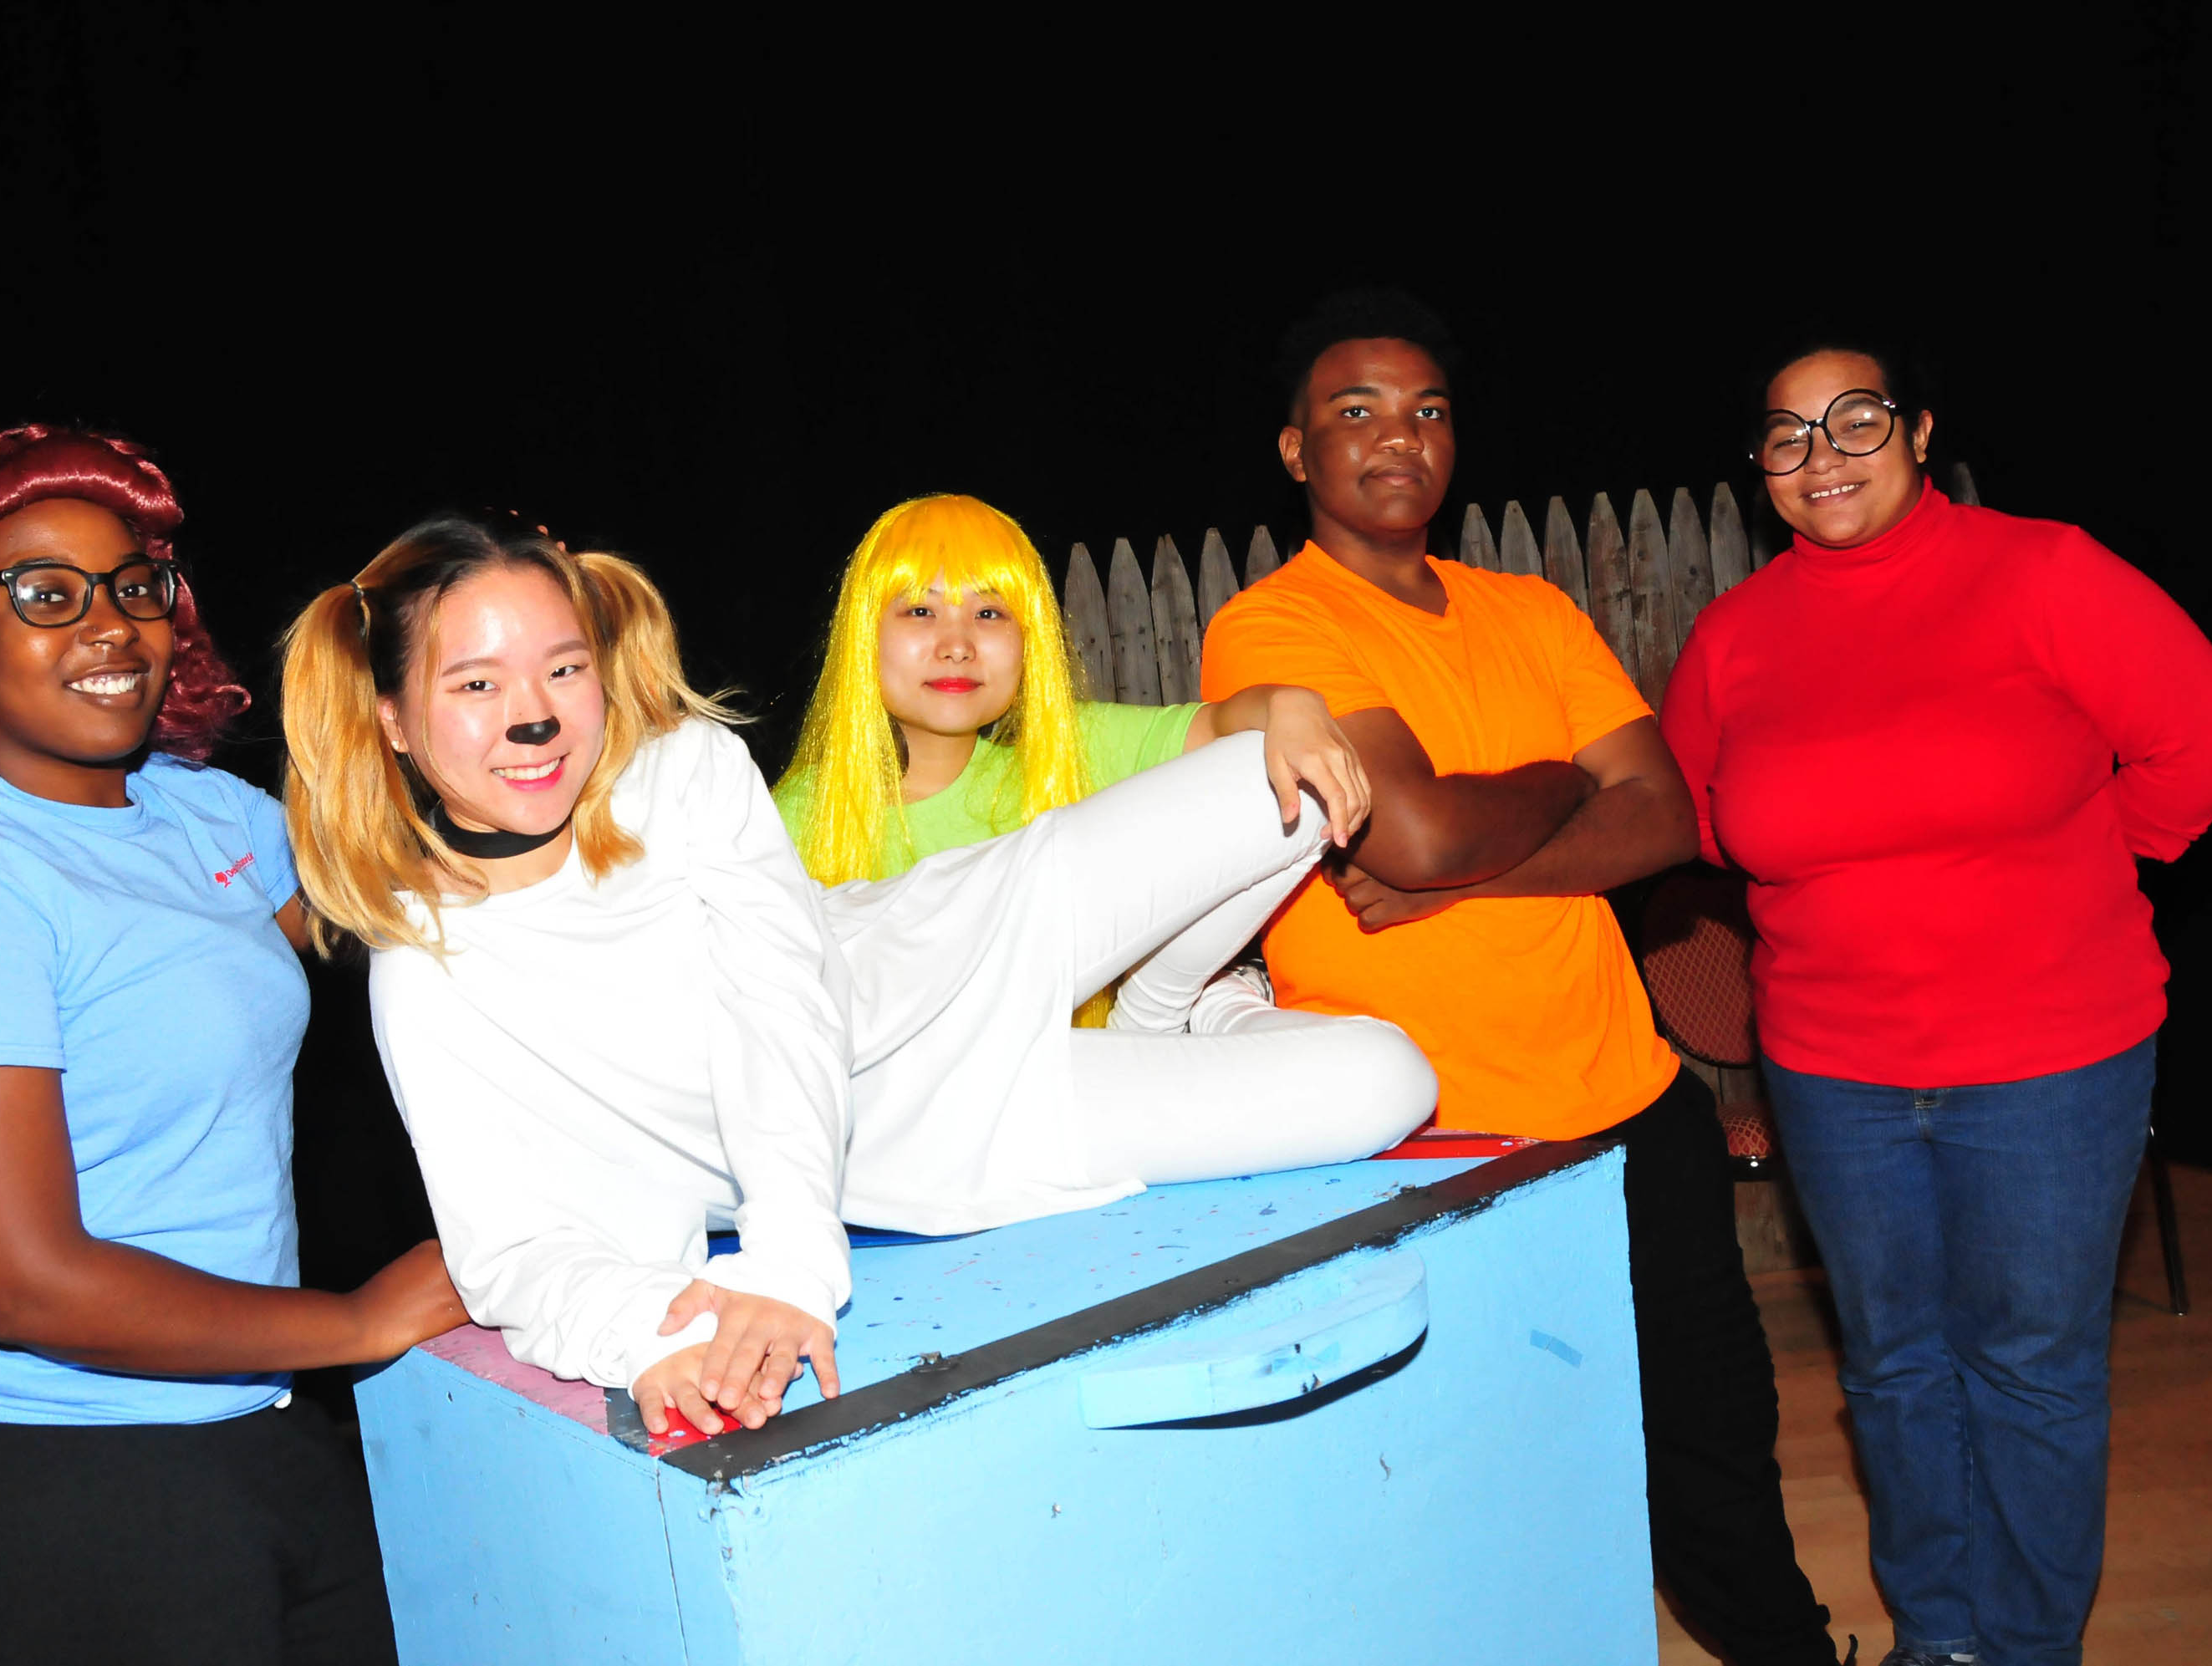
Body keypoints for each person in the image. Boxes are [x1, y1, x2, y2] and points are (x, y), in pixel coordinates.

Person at [277, 517, 1430, 1441]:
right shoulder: (428, 966)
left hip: (956, 938)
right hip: (934, 1135)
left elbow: (778, 1015)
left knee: (1289, 782)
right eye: (474, 686)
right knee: (1390, 1082)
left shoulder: (684, 775)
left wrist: (787, 1269)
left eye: (562, 667)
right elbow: (516, 1248)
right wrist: (662, 1334)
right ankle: (1158, 1042)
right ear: (392, 720)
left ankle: (1163, 1007)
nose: (532, 715)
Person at [1200, 292, 1845, 1666]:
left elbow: (1665, 815)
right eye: (1353, 411)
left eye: (1427, 409)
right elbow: (1409, 826)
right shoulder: (1270, 633)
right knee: (1482, 1469)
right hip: (1432, 1142)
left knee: (1716, 1439)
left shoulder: (1534, 608)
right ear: (1293, 450)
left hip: (1629, 1100)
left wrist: (1473, 866)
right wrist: (1564, 780)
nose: (1396, 437)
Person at [0, 425, 469, 1666]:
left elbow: (395, 900)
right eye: (44, 595)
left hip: (248, 1413)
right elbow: (26, 1287)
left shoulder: (194, 807)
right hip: (37, 1472)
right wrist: (361, 1321)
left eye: (136, 585)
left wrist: (468, 670)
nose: (110, 624)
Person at [1660, 342, 2212, 1666]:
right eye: (1788, 436)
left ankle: (2029, 1644)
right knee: (1891, 1370)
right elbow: (1704, 820)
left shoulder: (2041, 573)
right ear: (1762, 471)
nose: (1824, 456)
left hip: (2052, 1058)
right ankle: (1940, 1637)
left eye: (1855, 421)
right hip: (1833, 1069)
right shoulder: (1737, 637)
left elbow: (2207, 739)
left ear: (1920, 431)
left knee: (2032, 1369)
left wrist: (2086, 869)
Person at [774, 491, 1440, 1092]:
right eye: (920, 609)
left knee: (1393, 1079)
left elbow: (1225, 729)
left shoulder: (1070, 752)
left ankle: (1172, 1006)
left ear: (1028, 642)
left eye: (989, 612)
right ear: (864, 637)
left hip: (1084, 1074)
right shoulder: (794, 819)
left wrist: (1290, 702)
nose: (957, 644)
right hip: (911, 1114)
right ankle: (1196, 1002)